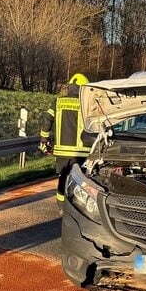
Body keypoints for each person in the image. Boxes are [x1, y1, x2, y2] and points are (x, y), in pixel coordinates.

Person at [39, 73, 97, 203]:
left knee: (63, 177)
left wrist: (44, 139)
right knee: (81, 180)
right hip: (81, 151)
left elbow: (47, 119)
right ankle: (78, 206)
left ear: (70, 87)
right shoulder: (87, 105)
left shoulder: (58, 102)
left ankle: (61, 205)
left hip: (62, 151)